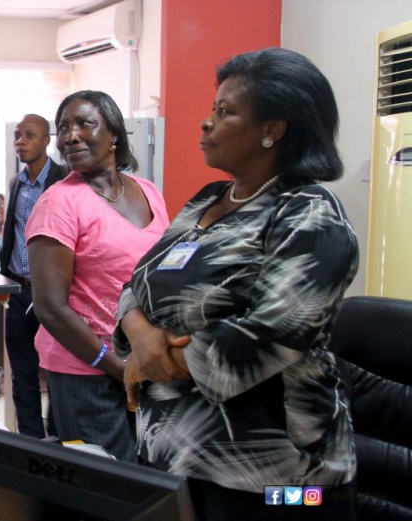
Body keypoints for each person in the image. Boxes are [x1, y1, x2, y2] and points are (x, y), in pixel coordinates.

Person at [113, 48, 358, 520]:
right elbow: (138, 281)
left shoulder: (310, 212)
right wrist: (141, 338)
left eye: (225, 112)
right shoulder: (207, 200)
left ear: (273, 129)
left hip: (279, 482)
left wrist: (155, 361)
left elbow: (277, 330)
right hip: (176, 458)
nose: (207, 123)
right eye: (212, 109)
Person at [25, 91, 169, 462]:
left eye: (84, 124)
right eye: (63, 128)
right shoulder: (59, 203)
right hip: (87, 371)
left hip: (144, 364)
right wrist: (115, 367)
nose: (70, 136)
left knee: (149, 476)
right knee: (108, 484)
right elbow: (50, 308)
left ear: (114, 135)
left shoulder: (149, 193)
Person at [0, 114, 67, 438]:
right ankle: (30, 441)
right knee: (21, 375)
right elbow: (11, 234)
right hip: (18, 292)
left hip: (54, 294)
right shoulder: (16, 183)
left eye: (29, 135)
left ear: (46, 141)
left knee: (56, 373)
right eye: (17, 136)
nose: (21, 142)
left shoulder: (65, 181)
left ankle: (57, 440)